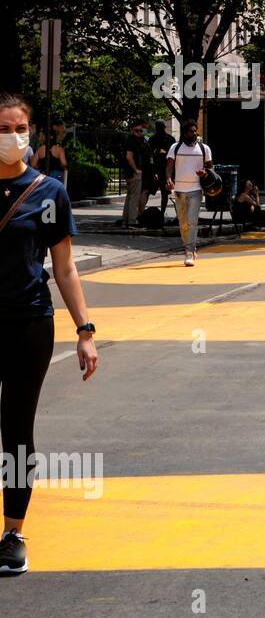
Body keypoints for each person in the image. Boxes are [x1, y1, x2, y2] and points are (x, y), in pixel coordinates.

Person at [0, 93, 99, 573]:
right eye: (2, 128)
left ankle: (12, 533)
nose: (11, 136)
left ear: (31, 131)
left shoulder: (48, 191)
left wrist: (85, 329)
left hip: (28, 324)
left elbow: (64, 268)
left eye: (19, 127)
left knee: (16, 431)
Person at [166, 119, 214, 267]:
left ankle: (189, 251)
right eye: (191, 131)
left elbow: (210, 168)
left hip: (196, 190)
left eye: (195, 131)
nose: (195, 133)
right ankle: (189, 247)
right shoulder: (175, 147)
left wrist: (204, 173)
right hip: (179, 190)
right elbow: (169, 166)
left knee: (192, 221)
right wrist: (168, 178)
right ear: (185, 133)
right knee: (183, 223)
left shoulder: (204, 148)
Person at [121, 119, 151, 228]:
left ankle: (126, 221)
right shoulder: (131, 141)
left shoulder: (138, 141)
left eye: (140, 130)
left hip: (132, 173)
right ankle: (131, 221)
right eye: (137, 130)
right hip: (134, 173)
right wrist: (136, 170)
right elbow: (129, 157)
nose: (139, 132)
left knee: (130, 197)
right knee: (134, 198)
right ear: (132, 130)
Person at [146, 119, 175, 210]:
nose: (159, 129)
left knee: (165, 193)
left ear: (164, 127)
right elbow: (149, 154)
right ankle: (141, 211)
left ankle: (162, 212)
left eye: (160, 127)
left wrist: (165, 152)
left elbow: (173, 155)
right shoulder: (152, 139)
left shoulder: (170, 139)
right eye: (157, 127)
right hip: (155, 169)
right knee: (148, 191)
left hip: (165, 169)